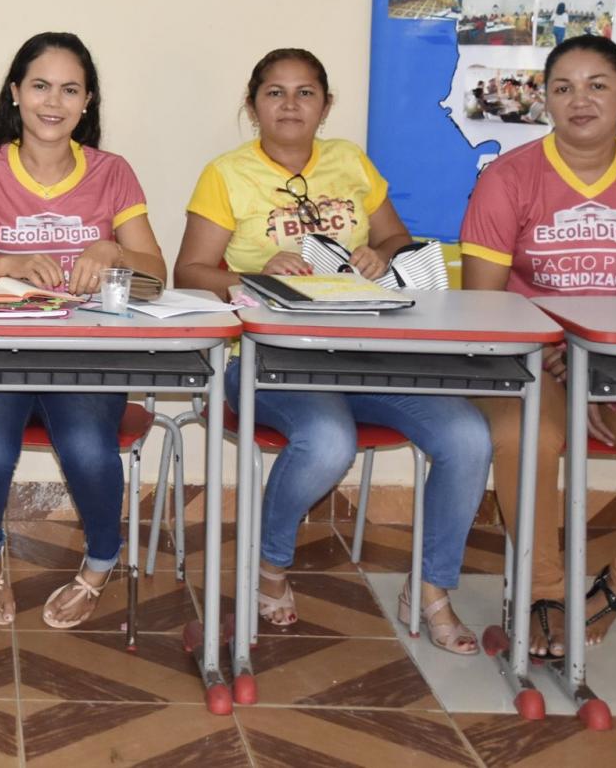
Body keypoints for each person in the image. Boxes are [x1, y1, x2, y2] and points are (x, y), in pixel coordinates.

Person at [175, 47, 491, 654]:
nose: (290, 105)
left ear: (325, 104)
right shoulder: (226, 173)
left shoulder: (350, 161)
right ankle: (269, 566)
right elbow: (188, 271)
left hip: (368, 354)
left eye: (304, 92)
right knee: (327, 440)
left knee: (468, 436)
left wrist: (385, 253)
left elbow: (397, 235)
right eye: (274, 92)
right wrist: (256, 274)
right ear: (252, 104)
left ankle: (428, 588)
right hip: (271, 359)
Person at [0, 32, 168, 629]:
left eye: (69, 89)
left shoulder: (112, 173)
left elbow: (158, 275)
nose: (53, 101)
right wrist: (2, 264)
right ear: (15, 94)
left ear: (87, 103)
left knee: (87, 446)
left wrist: (111, 251)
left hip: (86, 356)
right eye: (39, 85)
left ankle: (101, 564)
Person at [461, 35, 616, 658]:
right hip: (533, 359)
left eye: (597, 85)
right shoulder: (507, 180)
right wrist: (565, 356)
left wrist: (602, 364)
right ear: (545, 102)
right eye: (563, 87)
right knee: (527, 437)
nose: (580, 100)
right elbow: (485, 309)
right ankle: (543, 592)